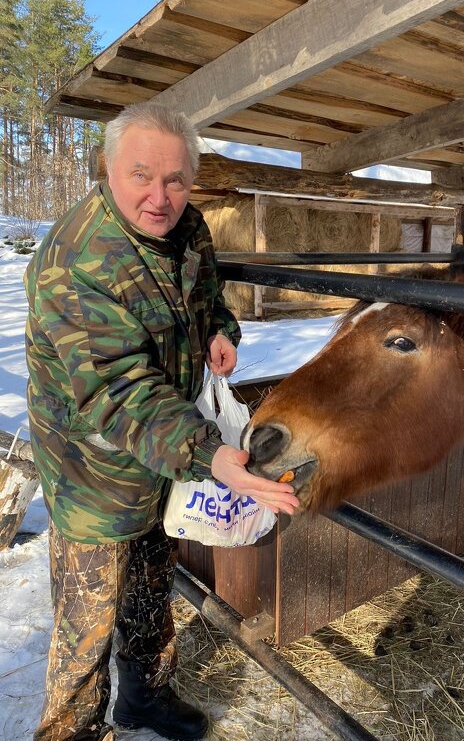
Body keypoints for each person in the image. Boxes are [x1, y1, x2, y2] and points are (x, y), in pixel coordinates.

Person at [25, 103, 299, 741]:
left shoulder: (188, 226)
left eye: (176, 179)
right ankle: (72, 730)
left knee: (151, 582)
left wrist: (219, 331)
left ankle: (143, 699)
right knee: (88, 616)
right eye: (141, 175)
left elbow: (203, 295)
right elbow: (118, 392)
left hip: (163, 450)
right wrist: (212, 452)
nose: (160, 196)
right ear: (108, 170)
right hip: (92, 466)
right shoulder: (78, 263)